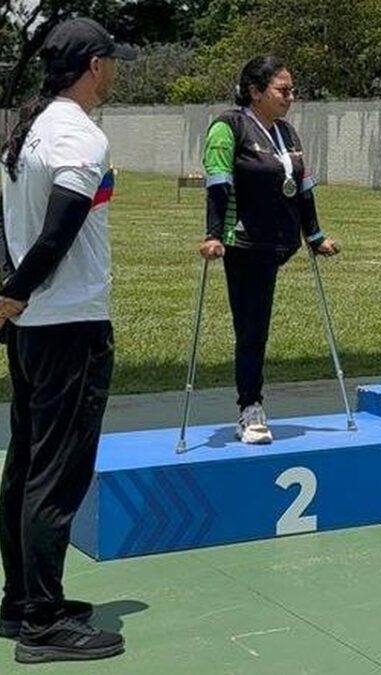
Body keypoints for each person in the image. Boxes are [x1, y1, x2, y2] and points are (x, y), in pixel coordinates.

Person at [0, 17, 134, 663]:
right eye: (112, 61)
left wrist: (12, 295)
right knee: (54, 475)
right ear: (94, 66)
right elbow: (57, 232)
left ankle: (21, 601)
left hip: (34, 329)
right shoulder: (80, 135)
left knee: (25, 464)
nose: (115, 72)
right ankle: (43, 624)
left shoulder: (29, 131)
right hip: (68, 324)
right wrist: (15, 291)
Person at [199, 56, 339, 443]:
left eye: (292, 90)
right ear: (255, 91)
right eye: (283, 90)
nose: (290, 97)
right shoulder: (228, 127)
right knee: (252, 329)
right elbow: (217, 184)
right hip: (245, 242)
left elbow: (303, 188)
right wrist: (213, 235)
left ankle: (251, 401)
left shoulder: (287, 133)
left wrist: (315, 235)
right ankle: (250, 408)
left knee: (257, 326)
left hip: (280, 242)